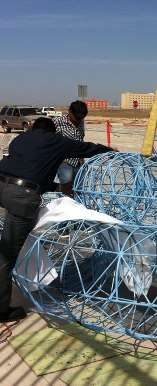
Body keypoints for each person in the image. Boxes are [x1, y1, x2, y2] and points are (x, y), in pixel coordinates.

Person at [0, 117, 116, 322]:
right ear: (52, 132)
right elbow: (86, 148)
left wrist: (52, 188)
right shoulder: (56, 141)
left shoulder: (19, 140)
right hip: (21, 196)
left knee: (14, 237)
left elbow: (30, 167)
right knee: (6, 256)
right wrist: (109, 150)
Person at [53, 100, 88, 196]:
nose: (79, 120)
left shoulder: (81, 122)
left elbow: (81, 137)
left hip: (79, 161)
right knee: (66, 189)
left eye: (82, 118)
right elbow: (49, 139)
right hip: (65, 162)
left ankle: (77, 207)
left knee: (79, 189)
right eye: (77, 117)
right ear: (70, 112)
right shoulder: (57, 122)